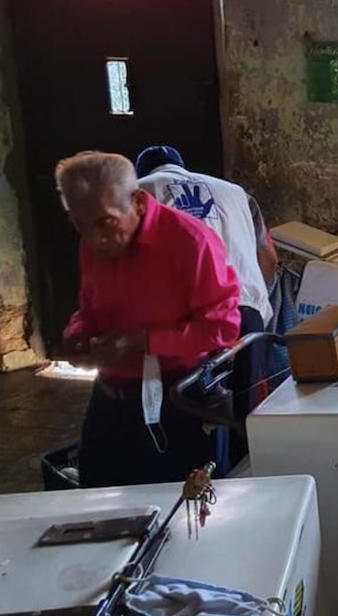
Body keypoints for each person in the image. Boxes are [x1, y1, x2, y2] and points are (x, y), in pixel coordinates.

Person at [58, 152, 241, 487]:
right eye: (80, 225)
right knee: (94, 494)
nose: (95, 239)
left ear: (138, 201)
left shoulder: (190, 241)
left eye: (106, 223)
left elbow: (223, 328)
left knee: (176, 504)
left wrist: (143, 343)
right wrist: (79, 335)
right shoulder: (93, 243)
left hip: (177, 397)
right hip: (112, 394)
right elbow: (89, 310)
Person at [135, 146, 272, 442]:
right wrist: (257, 303)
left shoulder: (136, 191)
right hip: (245, 311)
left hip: (187, 317)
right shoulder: (235, 193)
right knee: (246, 409)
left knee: (187, 405)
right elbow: (269, 259)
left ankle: (195, 464)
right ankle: (248, 464)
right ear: (183, 166)